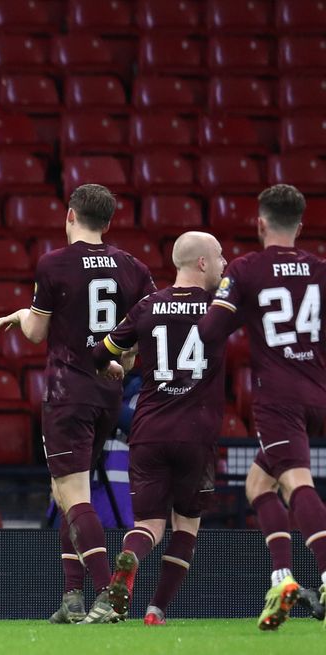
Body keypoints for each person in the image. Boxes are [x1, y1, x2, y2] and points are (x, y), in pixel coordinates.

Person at [0, 184, 156, 623]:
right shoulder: (133, 267)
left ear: (69, 216)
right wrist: (118, 360)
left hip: (68, 392)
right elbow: (140, 338)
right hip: (107, 391)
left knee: (73, 492)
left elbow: (36, 333)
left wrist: (21, 314)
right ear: (109, 221)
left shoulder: (53, 263)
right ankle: (72, 597)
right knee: (63, 490)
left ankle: (108, 594)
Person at [198, 184, 326, 630]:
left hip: (277, 397)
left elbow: (212, 331)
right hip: (316, 391)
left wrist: (222, 296)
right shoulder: (320, 269)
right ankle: (283, 578)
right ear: (300, 225)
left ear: (260, 222)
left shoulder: (247, 269)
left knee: (295, 482)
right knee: (259, 485)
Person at [90, 231, 227, 626]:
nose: (223, 263)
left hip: (148, 430)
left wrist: (117, 363)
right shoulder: (220, 306)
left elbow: (101, 353)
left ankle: (130, 561)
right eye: (218, 257)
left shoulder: (148, 305)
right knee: (186, 525)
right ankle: (155, 611)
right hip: (197, 435)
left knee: (147, 526)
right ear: (202, 263)